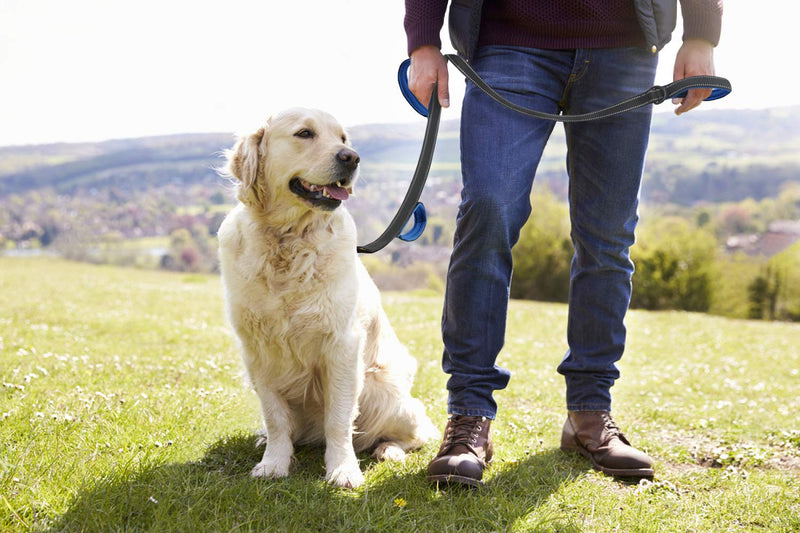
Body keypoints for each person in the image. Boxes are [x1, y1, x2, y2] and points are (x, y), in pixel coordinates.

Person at [403, 0, 722, 487]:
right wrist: (423, 41)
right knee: (488, 210)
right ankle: (469, 416)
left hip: (625, 47)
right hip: (506, 42)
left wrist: (702, 34)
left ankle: (589, 413)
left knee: (607, 237)